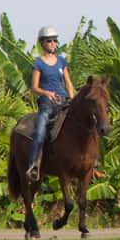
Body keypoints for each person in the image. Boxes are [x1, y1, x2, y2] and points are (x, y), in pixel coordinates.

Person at [27, 26, 76, 181]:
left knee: (87, 124)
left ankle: (93, 164)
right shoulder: (38, 64)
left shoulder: (61, 61)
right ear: (42, 43)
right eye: (49, 41)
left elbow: (68, 83)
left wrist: (72, 99)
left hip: (63, 102)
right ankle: (33, 165)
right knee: (40, 132)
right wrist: (47, 93)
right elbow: (34, 88)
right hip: (47, 105)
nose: (53, 43)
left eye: (55, 40)